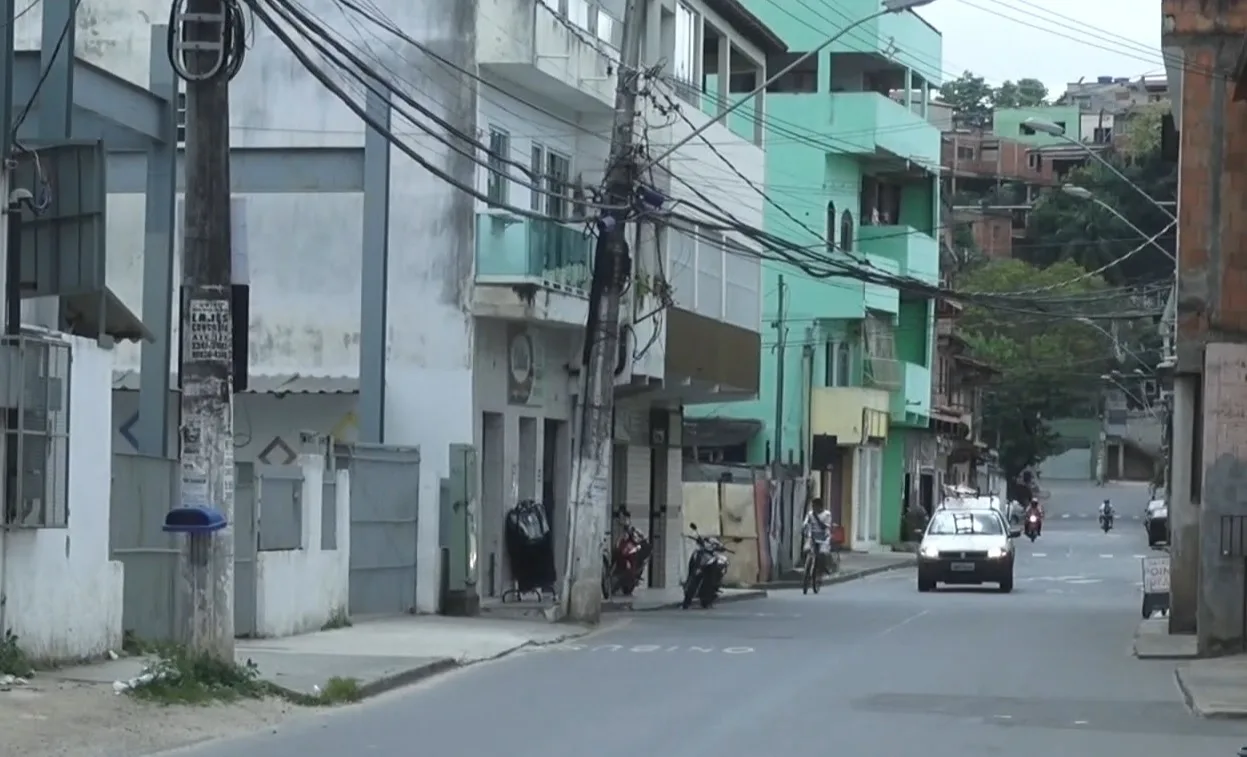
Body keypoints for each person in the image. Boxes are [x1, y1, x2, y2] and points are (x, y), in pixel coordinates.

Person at [803, 498, 834, 573]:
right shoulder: (810, 514)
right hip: (813, 537)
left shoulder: (827, 514)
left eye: (815, 506)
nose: (813, 508)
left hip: (823, 537)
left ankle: (825, 567)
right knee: (807, 550)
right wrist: (804, 528)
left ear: (820, 507)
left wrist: (816, 518)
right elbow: (805, 523)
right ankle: (807, 568)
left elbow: (824, 526)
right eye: (812, 506)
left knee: (822, 553)